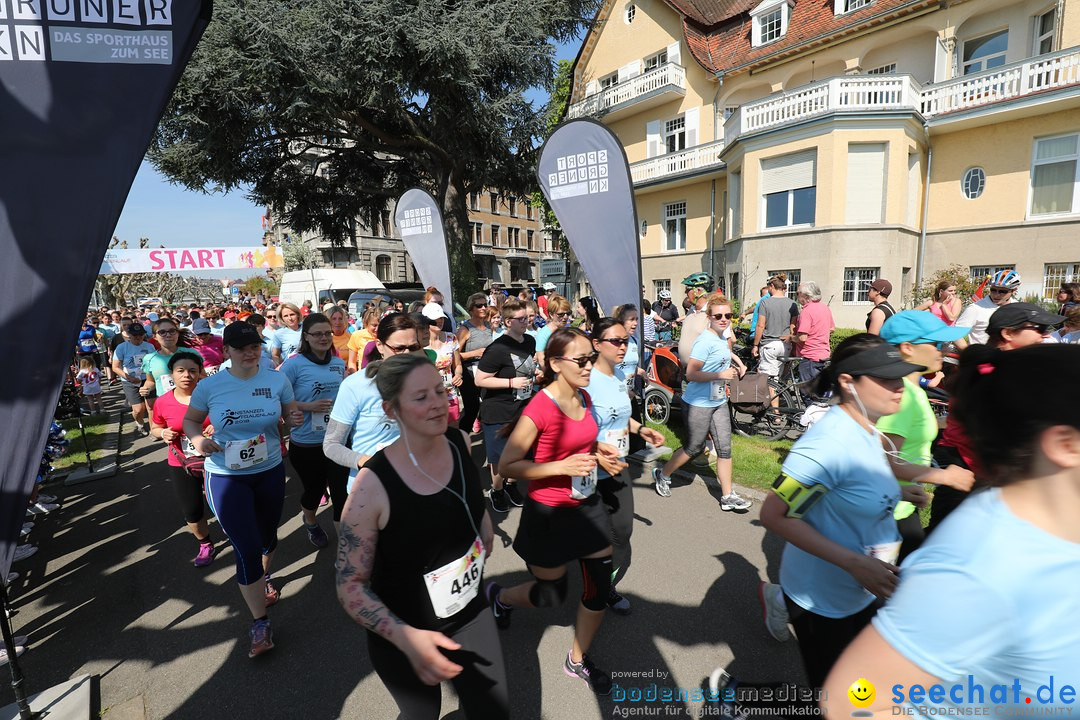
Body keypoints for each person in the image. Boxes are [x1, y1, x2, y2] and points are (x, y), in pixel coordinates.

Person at [823, 344, 1080, 716]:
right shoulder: (979, 564)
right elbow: (853, 700)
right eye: (884, 378)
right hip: (841, 577)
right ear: (1065, 445)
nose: (894, 385)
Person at [335, 354, 507, 719]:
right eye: (421, 397)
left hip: (468, 612)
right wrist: (405, 638)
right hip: (403, 631)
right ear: (391, 409)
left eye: (440, 391)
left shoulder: (460, 442)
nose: (438, 404)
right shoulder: (372, 487)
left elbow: (469, 495)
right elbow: (350, 586)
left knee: (493, 712)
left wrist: (484, 526)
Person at [757, 335, 928, 687]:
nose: (899, 387)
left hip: (860, 588)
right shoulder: (826, 444)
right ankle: (735, 697)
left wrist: (895, 492)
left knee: (858, 690)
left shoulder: (865, 427)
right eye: (887, 379)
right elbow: (774, 515)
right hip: (821, 598)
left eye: (901, 377)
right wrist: (855, 563)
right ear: (849, 383)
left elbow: (849, 487)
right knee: (841, 696)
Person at [484, 327, 622, 696]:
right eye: (582, 360)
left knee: (597, 588)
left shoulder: (585, 396)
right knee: (552, 593)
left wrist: (599, 455)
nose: (590, 365)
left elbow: (583, 445)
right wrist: (560, 468)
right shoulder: (540, 408)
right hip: (548, 514)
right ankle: (500, 597)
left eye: (592, 357)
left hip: (587, 508)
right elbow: (509, 464)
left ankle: (577, 660)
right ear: (556, 363)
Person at [183, 321, 302, 658]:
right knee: (246, 548)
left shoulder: (276, 379)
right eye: (241, 348)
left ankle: (261, 578)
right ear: (227, 352)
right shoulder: (211, 386)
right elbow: (191, 420)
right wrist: (198, 439)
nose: (250, 353)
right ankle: (259, 623)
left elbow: (287, 413)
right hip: (225, 475)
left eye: (255, 347)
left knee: (268, 537)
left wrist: (292, 419)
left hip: (268, 469)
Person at [927, 302, 1065, 531]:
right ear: (1008, 333)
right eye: (1038, 329)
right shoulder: (988, 367)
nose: (1044, 336)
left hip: (989, 469)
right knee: (948, 536)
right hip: (967, 467)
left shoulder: (1004, 365)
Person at [877, 311, 975, 561]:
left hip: (902, 502)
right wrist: (946, 476)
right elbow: (885, 459)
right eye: (935, 344)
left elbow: (910, 429)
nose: (943, 350)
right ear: (907, 348)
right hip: (889, 511)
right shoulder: (903, 394)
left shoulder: (912, 389)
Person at [587, 319, 667, 614]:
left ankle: (603, 584)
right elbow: (572, 428)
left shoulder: (619, 376)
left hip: (617, 469)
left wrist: (640, 430)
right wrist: (594, 451)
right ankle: (594, 589)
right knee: (589, 538)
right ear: (596, 344)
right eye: (615, 342)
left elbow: (620, 415)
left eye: (625, 341)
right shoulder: (585, 380)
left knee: (622, 531)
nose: (623, 346)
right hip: (588, 474)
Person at [651, 294, 752, 511]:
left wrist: (738, 365)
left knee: (725, 447)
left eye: (728, 315)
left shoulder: (720, 338)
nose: (724, 319)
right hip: (698, 402)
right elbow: (691, 374)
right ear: (709, 317)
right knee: (694, 447)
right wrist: (721, 375)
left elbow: (724, 356)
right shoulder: (705, 341)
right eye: (718, 316)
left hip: (718, 400)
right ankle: (663, 473)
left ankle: (727, 496)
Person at [323, 314, 423, 492]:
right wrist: (366, 462)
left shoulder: (424, 381)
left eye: (413, 347)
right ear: (380, 346)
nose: (407, 355)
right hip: (370, 488)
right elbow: (331, 445)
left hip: (417, 483)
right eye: (399, 349)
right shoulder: (355, 385)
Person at [280, 313, 348, 548]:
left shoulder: (339, 364)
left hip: (337, 439)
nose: (324, 338)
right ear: (306, 337)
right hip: (307, 442)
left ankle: (346, 549)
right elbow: (278, 398)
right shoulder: (294, 364)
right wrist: (307, 407)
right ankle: (310, 521)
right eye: (317, 334)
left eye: (327, 333)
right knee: (314, 490)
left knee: (341, 494)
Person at [150, 352, 216, 567]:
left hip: (216, 458)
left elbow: (228, 418)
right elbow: (155, 427)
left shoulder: (211, 396)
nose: (186, 375)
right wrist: (163, 434)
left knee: (225, 504)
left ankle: (238, 536)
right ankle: (205, 543)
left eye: (192, 371)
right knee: (192, 509)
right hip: (182, 462)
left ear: (200, 374)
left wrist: (217, 426)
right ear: (172, 374)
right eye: (181, 370)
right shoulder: (163, 401)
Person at [474, 299, 537, 513]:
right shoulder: (497, 348)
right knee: (500, 457)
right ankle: (497, 490)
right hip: (498, 410)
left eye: (527, 317)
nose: (526, 321)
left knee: (520, 452)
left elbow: (527, 365)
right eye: (521, 319)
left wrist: (534, 373)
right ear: (508, 322)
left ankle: (511, 486)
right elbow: (480, 380)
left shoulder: (529, 341)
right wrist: (511, 382)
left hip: (522, 407)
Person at [140, 318, 201, 408]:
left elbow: (203, 376)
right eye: (162, 332)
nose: (168, 335)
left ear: (177, 333)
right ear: (154, 337)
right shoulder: (149, 359)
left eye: (172, 331)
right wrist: (146, 388)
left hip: (192, 401)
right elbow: (151, 381)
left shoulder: (191, 353)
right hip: (167, 405)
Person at [456, 293, 494, 433]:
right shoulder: (465, 329)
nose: (484, 308)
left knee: (489, 404)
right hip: (469, 373)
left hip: (486, 371)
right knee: (472, 409)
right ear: (471, 309)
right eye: (479, 305)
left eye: (485, 304)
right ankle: (462, 437)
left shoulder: (489, 325)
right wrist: (475, 353)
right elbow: (454, 355)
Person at [954, 269, 1021, 345]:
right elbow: (956, 334)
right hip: (982, 354)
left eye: (1002, 291)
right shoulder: (975, 308)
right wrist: (969, 354)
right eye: (993, 290)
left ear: (1014, 290)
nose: (996, 294)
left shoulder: (1018, 308)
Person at [423, 302, 464, 426]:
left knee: (453, 433)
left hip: (449, 393)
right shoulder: (420, 343)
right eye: (435, 319)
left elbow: (458, 365)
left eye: (441, 318)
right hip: (428, 397)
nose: (439, 321)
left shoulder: (451, 338)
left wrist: (458, 375)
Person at [111, 322, 156, 435]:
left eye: (140, 335)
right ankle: (139, 423)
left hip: (147, 379)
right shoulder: (122, 347)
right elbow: (115, 367)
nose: (138, 337)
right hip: (129, 381)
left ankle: (153, 430)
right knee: (139, 409)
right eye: (135, 335)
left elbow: (155, 363)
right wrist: (130, 378)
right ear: (129, 335)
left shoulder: (149, 346)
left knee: (151, 406)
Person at [752, 275, 798, 380]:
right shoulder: (793, 304)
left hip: (769, 344)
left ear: (772, 286)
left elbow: (760, 325)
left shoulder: (765, 303)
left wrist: (755, 345)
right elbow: (793, 327)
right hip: (786, 344)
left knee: (769, 381)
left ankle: (772, 397)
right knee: (781, 381)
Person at [793, 281, 834, 384]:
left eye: (798, 293)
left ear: (806, 296)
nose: (796, 295)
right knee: (820, 390)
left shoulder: (806, 311)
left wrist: (791, 338)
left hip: (810, 356)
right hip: (824, 354)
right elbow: (832, 328)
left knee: (809, 392)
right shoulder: (825, 308)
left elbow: (802, 337)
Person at [533, 294, 571, 366]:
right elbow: (541, 359)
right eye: (561, 314)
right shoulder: (543, 334)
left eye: (568, 313)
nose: (565, 317)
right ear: (551, 315)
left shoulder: (567, 331)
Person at [347, 307, 380, 374]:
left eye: (380, 325)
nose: (377, 329)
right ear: (366, 324)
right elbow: (351, 362)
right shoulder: (357, 335)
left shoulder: (387, 336)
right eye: (374, 325)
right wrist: (355, 378)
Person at [270, 302, 303, 366]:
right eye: (286, 316)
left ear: (298, 314)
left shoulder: (308, 328)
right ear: (282, 318)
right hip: (290, 368)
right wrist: (278, 365)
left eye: (292, 314)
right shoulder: (279, 334)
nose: (290, 318)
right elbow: (275, 355)